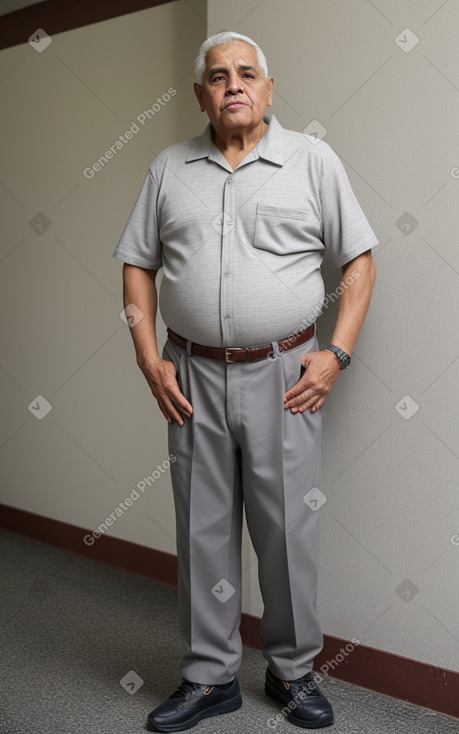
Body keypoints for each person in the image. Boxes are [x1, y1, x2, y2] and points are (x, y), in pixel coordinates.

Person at [113, 31, 377, 732]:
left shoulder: (310, 160)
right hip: (190, 373)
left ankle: (292, 673)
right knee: (202, 532)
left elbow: (359, 261)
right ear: (201, 93)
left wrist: (336, 353)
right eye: (218, 75)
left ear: (266, 87)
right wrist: (148, 356)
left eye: (246, 73)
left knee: (287, 532)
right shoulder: (168, 168)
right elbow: (136, 264)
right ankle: (208, 679)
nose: (233, 83)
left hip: (284, 376)